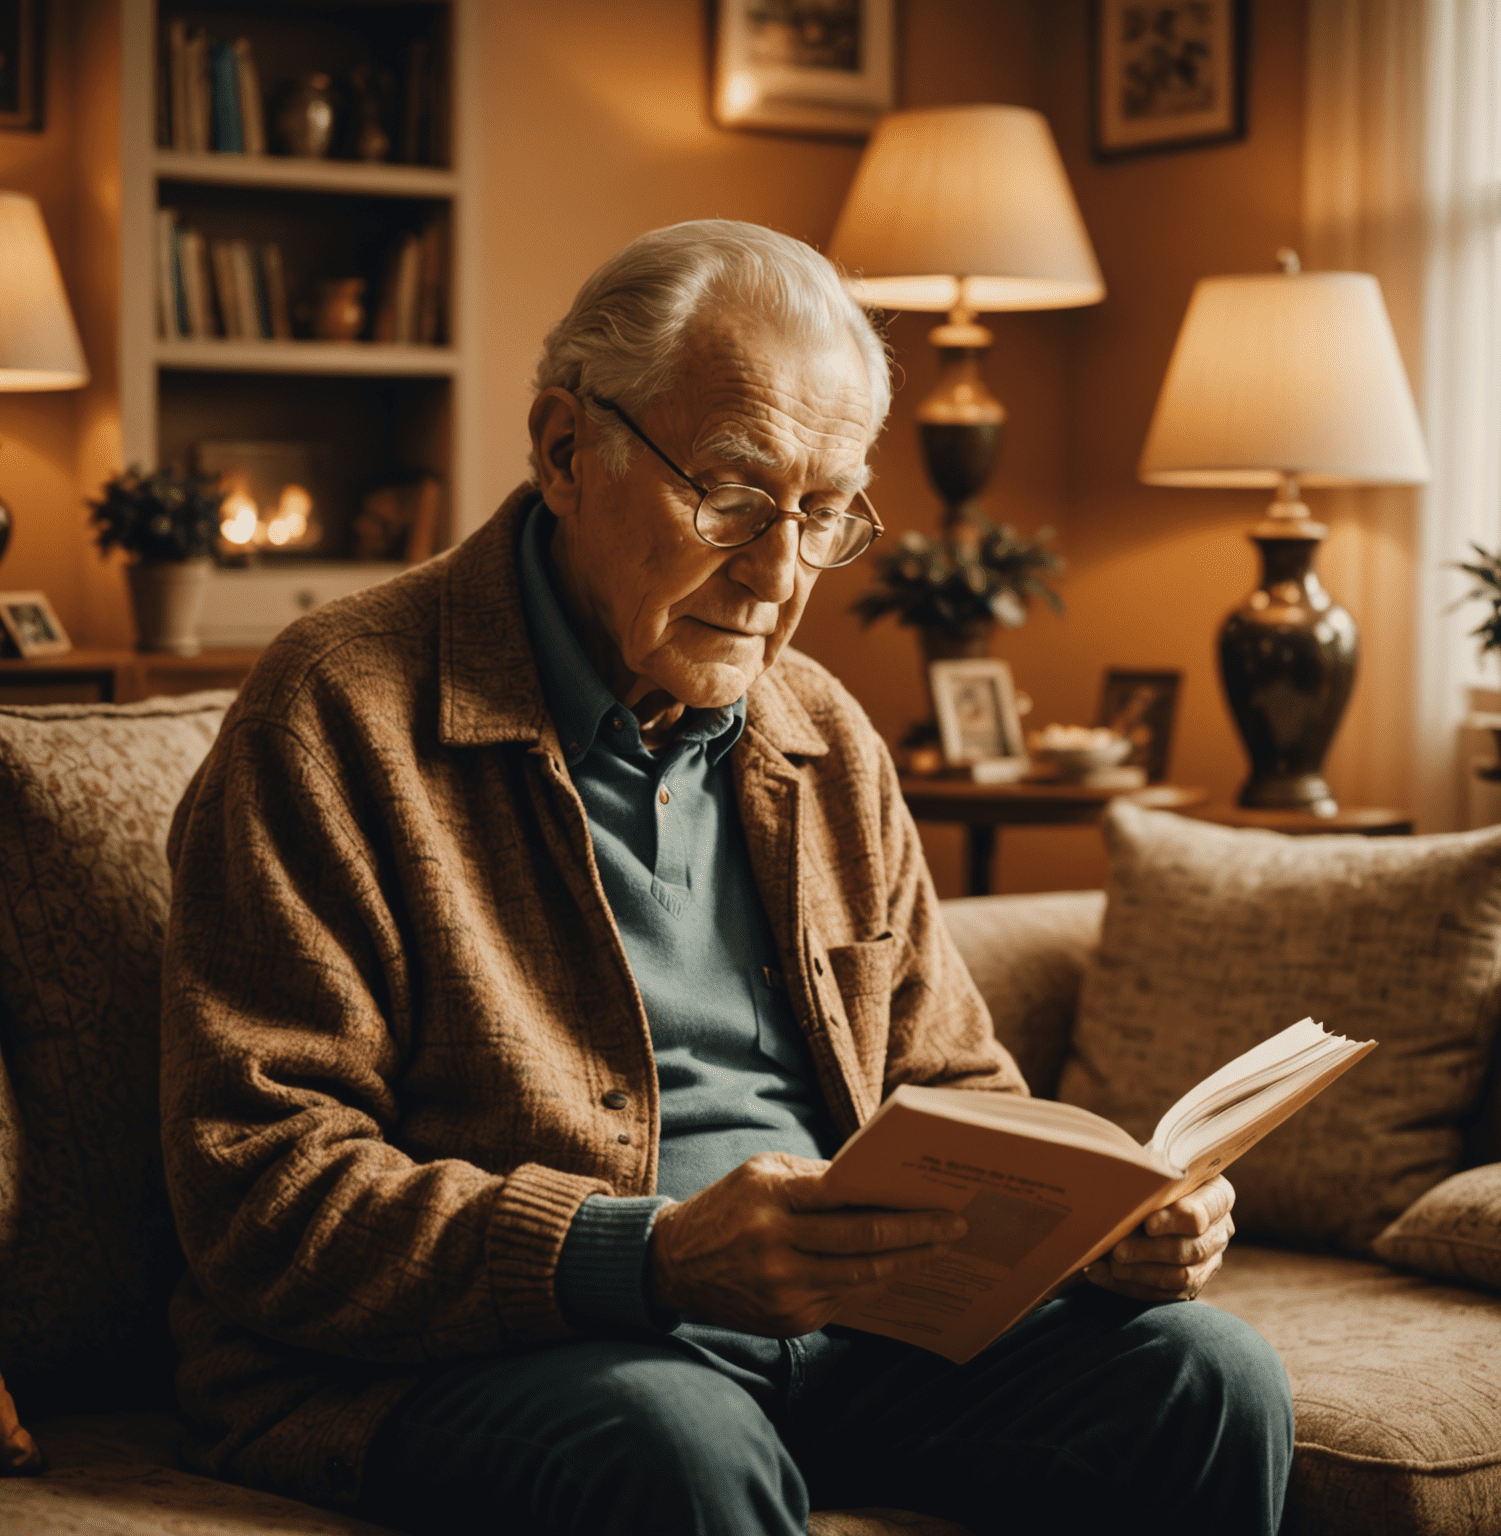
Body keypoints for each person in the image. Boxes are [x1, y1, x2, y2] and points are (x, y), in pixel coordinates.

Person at [160, 220, 1293, 1536]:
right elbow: (261, 1183)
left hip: (846, 1338)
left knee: (1207, 1380)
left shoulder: (821, 732)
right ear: (564, 448)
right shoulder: (335, 715)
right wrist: (641, 1255)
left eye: (822, 513)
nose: (777, 572)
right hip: (495, 1354)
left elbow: (956, 1086)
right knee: (673, 1444)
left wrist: (1096, 1225)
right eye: (734, 496)